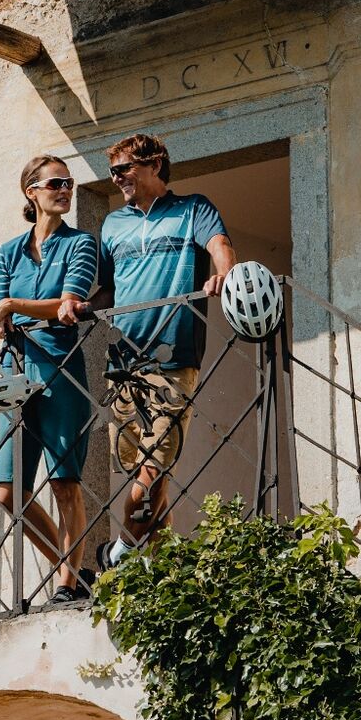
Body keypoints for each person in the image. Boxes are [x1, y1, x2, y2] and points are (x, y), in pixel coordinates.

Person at [98, 132, 237, 559]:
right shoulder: (112, 224)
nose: (116, 178)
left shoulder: (192, 209)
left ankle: (120, 553)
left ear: (154, 164)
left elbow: (220, 245)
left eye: (124, 168)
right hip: (122, 364)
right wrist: (78, 307)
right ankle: (163, 568)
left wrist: (225, 274)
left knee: (153, 469)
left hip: (173, 357)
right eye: (112, 172)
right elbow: (108, 289)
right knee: (143, 473)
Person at [0, 155, 100, 602]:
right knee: (8, 491)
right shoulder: (8, 253)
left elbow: (67, 302)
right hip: (13, 372)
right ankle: (76, 571)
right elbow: (0, 321)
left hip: (60, 368)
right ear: (31, 191)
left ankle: (67, 585)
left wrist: (13, 306)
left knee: (64, 482)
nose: (65, 189)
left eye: (69, 183)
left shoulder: (80, 244)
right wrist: (5, 314)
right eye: (55, 183)